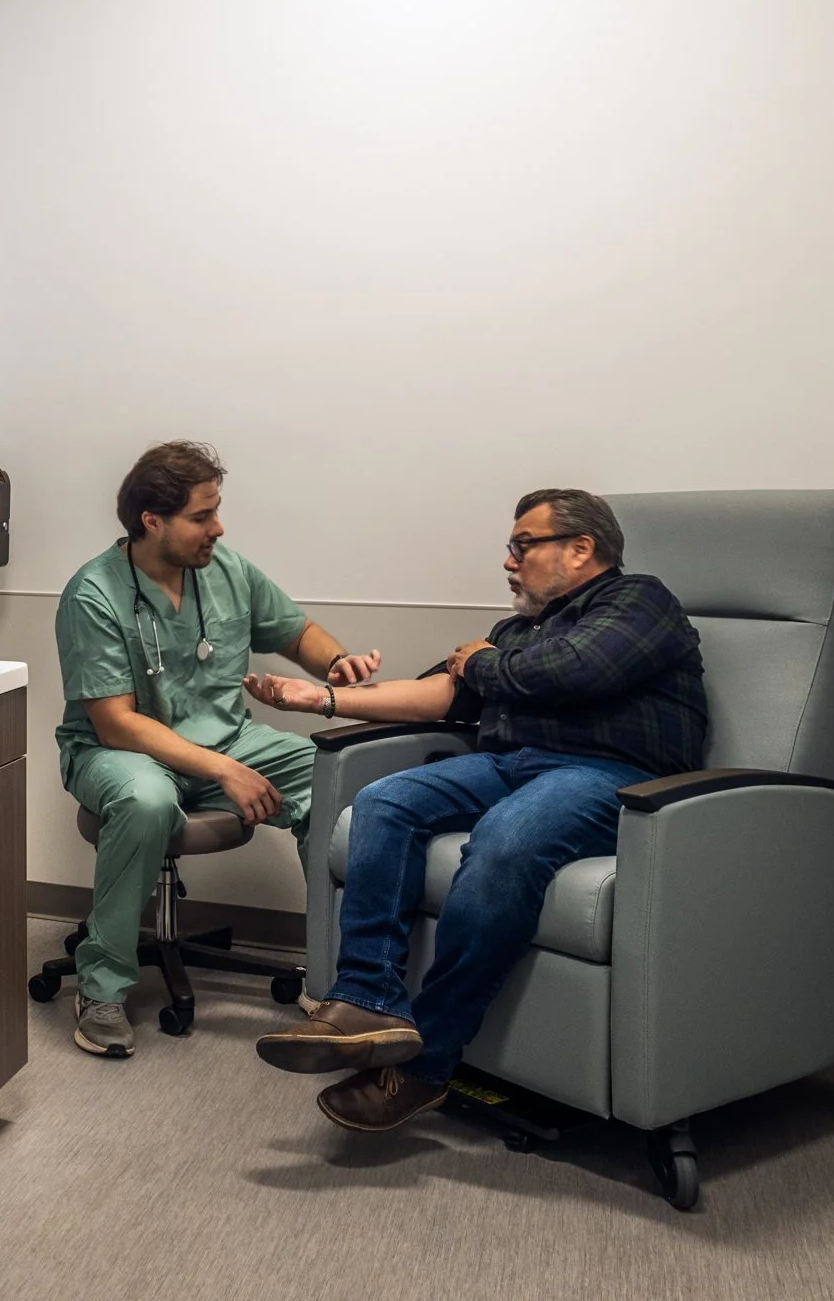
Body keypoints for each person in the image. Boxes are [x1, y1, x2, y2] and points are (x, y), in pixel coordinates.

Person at [242, 487, 706, 1130]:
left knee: (504, 841)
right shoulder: (518, 632)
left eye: (522, 546)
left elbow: (574, 670)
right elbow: (436, 694)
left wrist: (486, 662)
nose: (510, 562)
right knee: (384, 801)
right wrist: (319, 699)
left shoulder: (638, 601)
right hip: (512, 762)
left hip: (609, 774)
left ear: (580, 548)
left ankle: (428, 1065)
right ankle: (366, 999)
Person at [55, 441, 382, 1058]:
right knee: (147, 802)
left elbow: (295, 631)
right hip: (123, 751)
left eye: (217, 511)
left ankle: (337, 979)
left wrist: (336, 661)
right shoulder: (93, 594)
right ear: (153, 521)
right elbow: (116, 723)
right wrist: (224, 769)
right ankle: (101, 987)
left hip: (224, 737)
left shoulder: (226, 568)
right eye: (202, 516)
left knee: (333, 781)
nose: (218, 527)